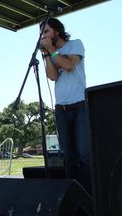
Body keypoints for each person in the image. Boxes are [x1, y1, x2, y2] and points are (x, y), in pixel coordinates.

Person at [39, 17, 91, 194]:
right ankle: (74, 197)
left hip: (80, 106)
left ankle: (89, 196)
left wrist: (52, 50)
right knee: (68, 157)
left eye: (46, 31)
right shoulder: (50, 51)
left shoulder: (75, 44)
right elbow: (53, 76)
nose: (43, 35)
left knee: (84, 155)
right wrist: (47, 54)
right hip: (61, 108)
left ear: (57, 31)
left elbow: (68, 65)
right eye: (42, 33)